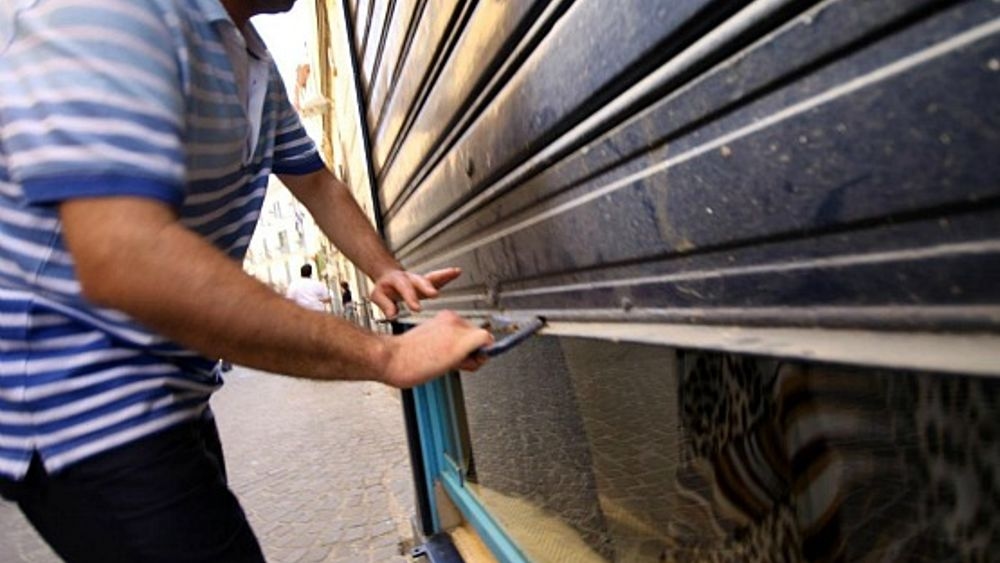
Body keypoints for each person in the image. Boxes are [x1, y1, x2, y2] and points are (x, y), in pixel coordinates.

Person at [0, 1, 493, 561]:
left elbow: (315, 182)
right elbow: (127, 259)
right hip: (74, 393)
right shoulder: (112, 11)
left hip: (168, 382)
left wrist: (384, 270)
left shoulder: (248, 52)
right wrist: (385, 356)